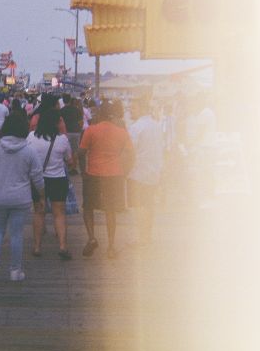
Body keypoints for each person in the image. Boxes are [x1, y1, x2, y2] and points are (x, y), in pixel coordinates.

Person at [0, 112, 44, 282]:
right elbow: (37, 176)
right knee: (16, 234)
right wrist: (42, 197)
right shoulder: (29, 149)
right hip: (21, 198)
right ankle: (15, 271)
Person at [78, 100, 134, 259]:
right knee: (110, 211)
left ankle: (92, 238)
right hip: (115, 174)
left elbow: (81, 153)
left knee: (88, 207)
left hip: (94, 174)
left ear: (99, 114)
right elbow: (131, 154)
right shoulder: (122, 132)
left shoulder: (91, 130)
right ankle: (110, 246)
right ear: (112, 115)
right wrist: (125, 171)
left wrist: (83, 171)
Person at [26, 105, 75, 260]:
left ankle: (37, 246)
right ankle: (62, 246)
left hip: (38, 180)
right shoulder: (62, 139)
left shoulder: (31, 137)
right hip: (58, 179)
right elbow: (70, 161)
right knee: (59, 213)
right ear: (55, 123)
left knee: (39, 212)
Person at [126, 97, 164, 246]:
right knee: (149, 206)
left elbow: (130, 151)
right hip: (153, 172)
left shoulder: (136, 127)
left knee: (138, 206)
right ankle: (147, 236)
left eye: (133, 108)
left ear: (141, 109)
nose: (130, 112)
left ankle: (141, 237)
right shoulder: (157, 125)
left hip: (138, 173)